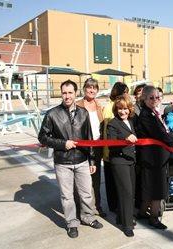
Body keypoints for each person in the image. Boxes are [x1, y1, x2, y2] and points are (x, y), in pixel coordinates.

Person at [38, 80, 103, 238]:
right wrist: (62, 144)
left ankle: (88, 217)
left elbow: (89, 138)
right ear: (61, 94)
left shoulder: (83, 113)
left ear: (75, 93)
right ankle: (72, 223)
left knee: (86, 193)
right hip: (63, 162)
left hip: (81, 160)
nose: (67, 96)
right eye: (64, 93)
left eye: (70, 93)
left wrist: (92, 160)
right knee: (67, 196)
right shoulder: (52, 114)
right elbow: (43, 137)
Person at [136, 85, 173, 230]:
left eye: (158, 97)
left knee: (150, 187)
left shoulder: (153, 112)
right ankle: (154, 217)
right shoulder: (147, 115)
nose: (155, 100)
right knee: (156, 189)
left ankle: (143, 212)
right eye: (151, 97)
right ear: (144, 98)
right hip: (153, 158)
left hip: (155, 157)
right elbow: (162, 135)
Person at [107, 95, 137, 237]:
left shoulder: (131, 121)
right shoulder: (113, 124)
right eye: (119, 108)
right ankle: (127, 225)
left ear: (129, 109)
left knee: (130, 192)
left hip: (130, 160)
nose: (122, 111)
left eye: (125, 108)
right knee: (126, 192)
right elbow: (111, 145)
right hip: (119, 161)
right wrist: (125, 140)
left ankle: (122, 217)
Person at [76, 78, 106, 217]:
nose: (92, 90)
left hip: (97, 145)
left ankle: (97, 207)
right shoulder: (77, 106)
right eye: (89, 87)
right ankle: (82, 208)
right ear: (84, 89)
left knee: (96, 178)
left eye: (94, 88)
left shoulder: (99, 106)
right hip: (83, 146)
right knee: (82, 180)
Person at [102, 81, 129, 213]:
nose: (127, 95)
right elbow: (109, 131)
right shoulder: (111, 107)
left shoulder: (114, 105)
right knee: (112, 181)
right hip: (112, 150)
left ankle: (116, 205)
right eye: (126, 92)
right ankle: (114, 206)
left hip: (115, 150)